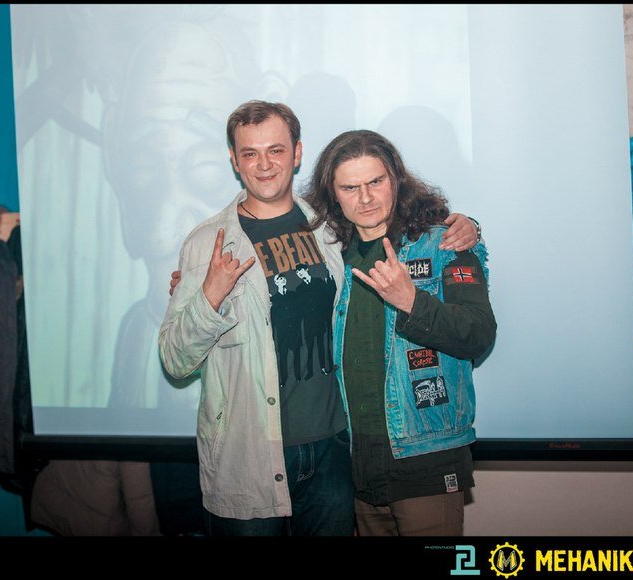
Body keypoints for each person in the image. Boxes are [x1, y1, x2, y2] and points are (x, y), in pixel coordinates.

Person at [158, 101, 479, 536]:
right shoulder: (206, 244)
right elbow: (175, 361)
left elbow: (409, 228)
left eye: (275, 150)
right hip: (249, 456)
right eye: (250, 153)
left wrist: (466, 226)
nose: (264, 165)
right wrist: (208, 296)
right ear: (234, 160)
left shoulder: (331, 229)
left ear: (297, 152)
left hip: (335, 453)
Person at [302, 129, 496, 536]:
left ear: (396, 180)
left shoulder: (444, 244)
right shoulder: (329, 257)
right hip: (354, 462)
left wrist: (411, 301)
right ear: (333, 195)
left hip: (427, 458)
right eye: (350, 188)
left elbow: (479, 334)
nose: (365, 198)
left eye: (375, 182)